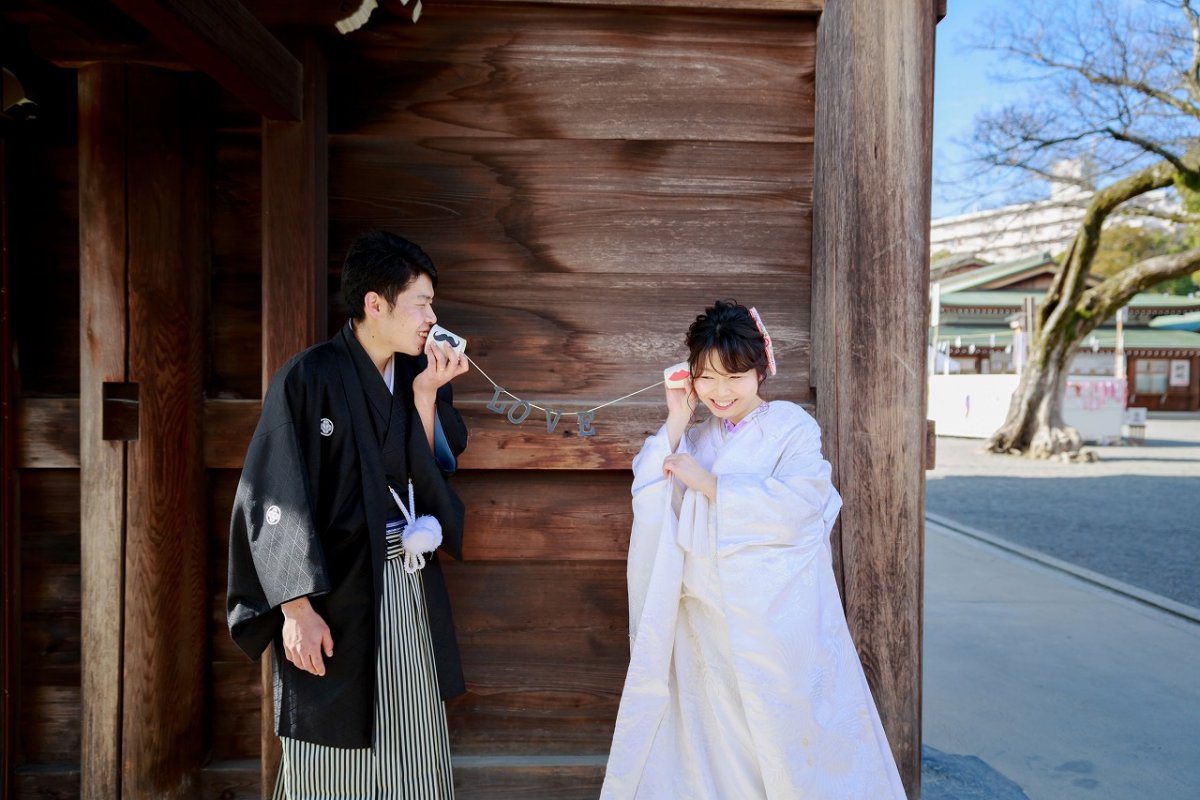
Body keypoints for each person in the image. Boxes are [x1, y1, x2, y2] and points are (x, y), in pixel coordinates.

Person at [601, 300, 906, 799]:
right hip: (706, 625)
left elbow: (804, 502)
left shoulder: (791, 427)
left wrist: (713, 486)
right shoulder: (695, 437)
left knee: (788, 744)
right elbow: (650, 488)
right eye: (707, 378)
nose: (720, 392)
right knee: (713, 749)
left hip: (775, 626)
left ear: (762, 370)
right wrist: (676, 420)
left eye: (734, 376)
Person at [226, 230, 470, 799]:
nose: (431, 319)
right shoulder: (307, 378)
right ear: (374, 304)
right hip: (331, 593)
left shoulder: (416, 375)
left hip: (405, 581)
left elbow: (434, 471)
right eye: (421, 303)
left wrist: (429, 396)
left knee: (412, 735)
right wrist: (295, 609)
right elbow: (272, 496)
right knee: (332, 750)